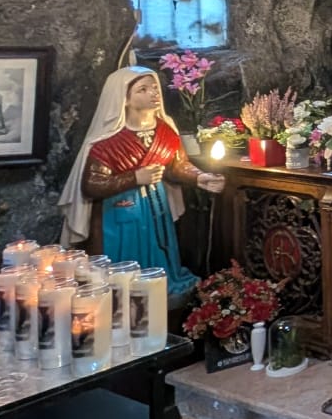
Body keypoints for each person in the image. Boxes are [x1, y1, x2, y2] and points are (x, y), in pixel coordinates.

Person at [62, 66, 223, 303]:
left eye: (155, 88)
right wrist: (134, 178)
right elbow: (92, 185)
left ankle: (159, 285)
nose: (153, 93)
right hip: (117, 213)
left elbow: (177, 165)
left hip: (156, 208)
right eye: (143, 90)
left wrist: (199, 177)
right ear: (124, 99)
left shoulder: (165, 131)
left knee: (158, 249)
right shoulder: (108, 141)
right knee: (123, 263)